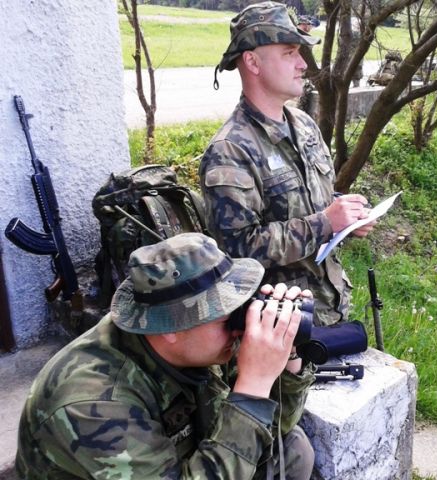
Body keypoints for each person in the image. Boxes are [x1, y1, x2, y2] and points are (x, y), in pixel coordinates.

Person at [15, 232, 315, 479]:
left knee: (291, 450)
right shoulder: (94, 403)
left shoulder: (193, 344)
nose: (240, 327)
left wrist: (287, 352)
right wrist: (252, 385)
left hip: (174, 460)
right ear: (171, 326)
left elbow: (275, 426)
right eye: (228, 314)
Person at [201, 1, 375, 327]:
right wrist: (325, 223)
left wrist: (346, 216)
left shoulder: (304, 125)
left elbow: (311, 201)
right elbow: (237, 249)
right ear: (252, 62)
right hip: (280, 326)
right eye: (289, 53)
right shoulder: (230, 151)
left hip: (330, 304)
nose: (302, 64)